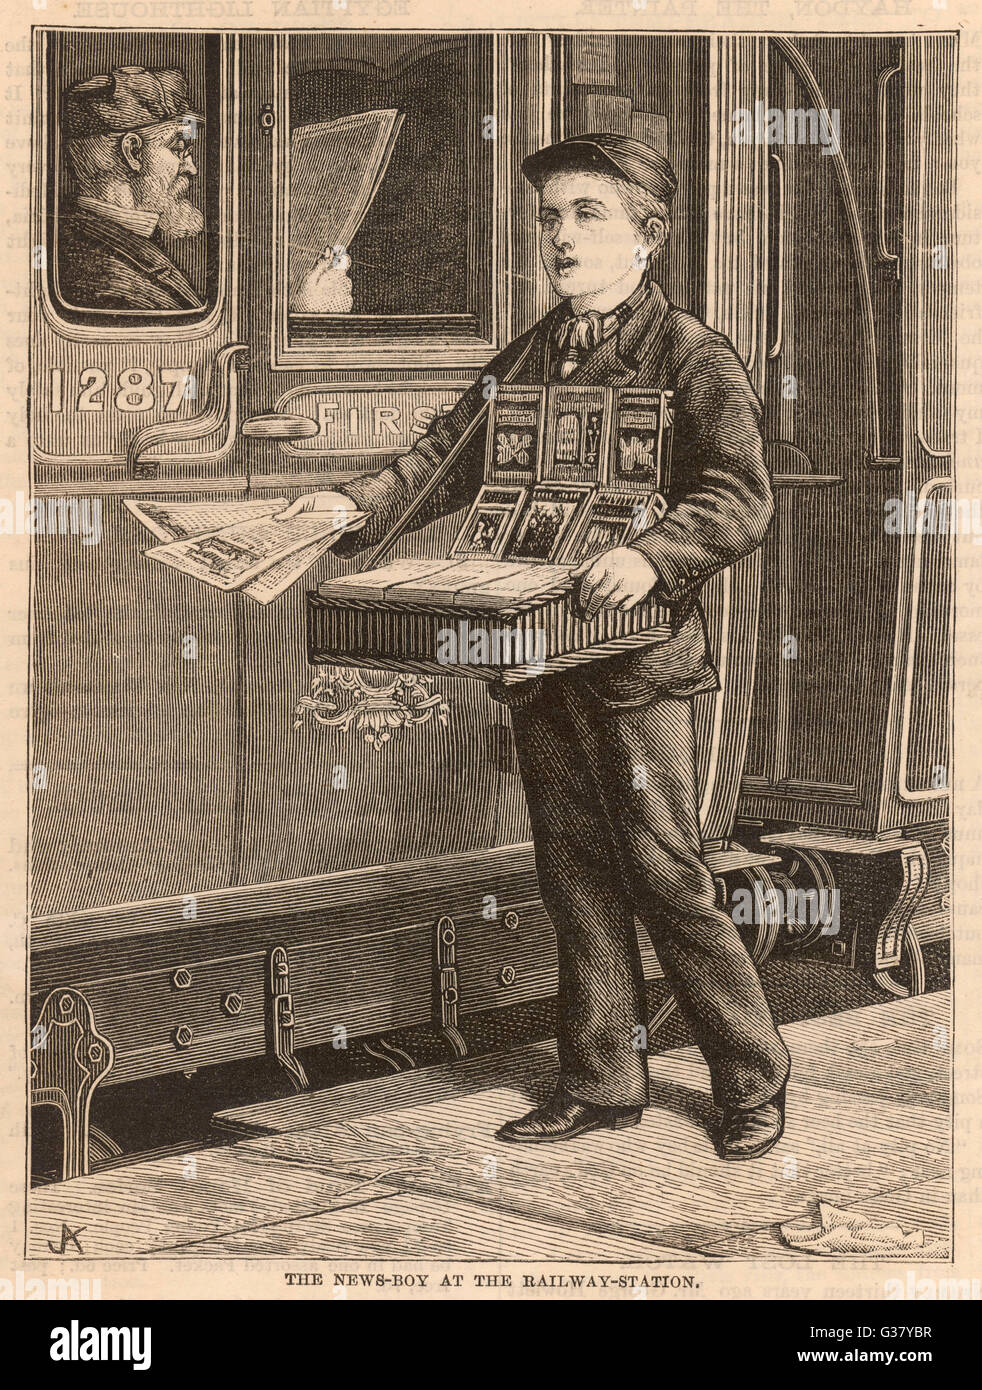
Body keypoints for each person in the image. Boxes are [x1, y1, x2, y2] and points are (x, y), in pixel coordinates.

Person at [280, 132, 791, 1159]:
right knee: (573, 872)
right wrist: (347, 503)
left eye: (584, 214)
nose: (558, 236)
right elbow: (443, 458)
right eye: (549, 216)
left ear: (646, 237)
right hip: (544, 658)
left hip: (636, 669)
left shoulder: (694, 356)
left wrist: (651, 555)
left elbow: (738, 498)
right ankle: (602, 1082)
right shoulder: (534, 350)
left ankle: (750, 1080)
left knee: (665, 871)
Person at [58, 66, 205, 312]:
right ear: (133, 152)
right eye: (179, 150)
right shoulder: (106, 277)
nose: (191, 168)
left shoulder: (94, 239)